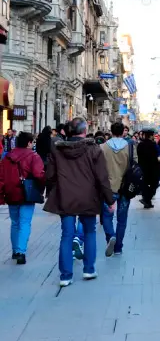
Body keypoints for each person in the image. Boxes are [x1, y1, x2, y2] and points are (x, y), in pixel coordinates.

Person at [44, 118, 115, 287]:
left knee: (67, 235)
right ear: (84, 131)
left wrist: (54, 190)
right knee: (89, 232)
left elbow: (50, 176)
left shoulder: (58, 150)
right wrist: (110, 200)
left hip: (65, 197)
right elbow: (102, 178)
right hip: (88, 198)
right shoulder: (94, 149)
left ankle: (65, 276)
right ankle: (89, 269)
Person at [0, 132, 46, 264]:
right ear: (29, 143)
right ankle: (21, 252)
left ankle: (15, 250)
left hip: (11, 193)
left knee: (15, 222)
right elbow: (39, 174)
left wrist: (2, 194)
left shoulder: (7, 157)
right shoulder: (33, 156)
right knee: (25, 222)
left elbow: (1, 177)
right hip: (27, 193)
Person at [100, 122, 137, 256]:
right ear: (123, 132)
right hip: (125, 188)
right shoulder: (130, 147)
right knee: (122, 219)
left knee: (106, 216)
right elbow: (135, 164)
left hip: (108, 188)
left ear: (111, 132)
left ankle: (111, 236)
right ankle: (118, 248)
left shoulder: (102, 147)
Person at [137, 130, 160, 209]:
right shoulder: (153, 145)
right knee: (154, 185)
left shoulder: (140, 145)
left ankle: (147, 202)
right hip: (152, 169)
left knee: (145, 185)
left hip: (143, 168)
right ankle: (146, 200)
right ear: (151, 136)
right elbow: (158, 157)